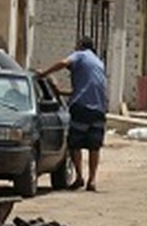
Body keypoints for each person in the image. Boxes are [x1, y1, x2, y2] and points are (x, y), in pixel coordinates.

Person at [38, 37, 108, 192]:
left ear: (80, 46)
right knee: (94, 146)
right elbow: (84, 90)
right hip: (99, 109)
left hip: (81, 108)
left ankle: (79, 177)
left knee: (74, 144)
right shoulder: (98, 63)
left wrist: (44, 72)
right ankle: (92, 180)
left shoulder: (81, 55)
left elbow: (63, 63)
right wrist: (61, 92)